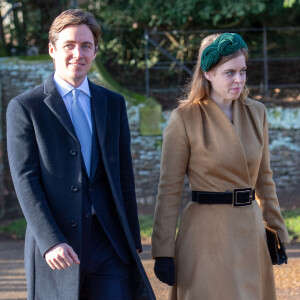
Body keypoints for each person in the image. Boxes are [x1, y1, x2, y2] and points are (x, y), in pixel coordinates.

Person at [6, 9, 155, 300]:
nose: (78, 53)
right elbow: (25, 180)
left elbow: (123, 172)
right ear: (52, 50)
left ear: (95, 51)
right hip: (58, 246)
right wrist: (50, 241)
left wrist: (132, 236)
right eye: (69, 46)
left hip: (109, 241)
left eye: (86, 46)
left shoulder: (113, 103)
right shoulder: (26, 107)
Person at [151, 32, 290, 300]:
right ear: (208, 73)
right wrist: (163, 251)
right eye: (229, 73)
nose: (239, 79)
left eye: (243, 71)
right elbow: (168, 189)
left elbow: (264, 179)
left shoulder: (256, 113)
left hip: (250, 233)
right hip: (205, 236)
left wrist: (277, 230)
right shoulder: (185, 118)